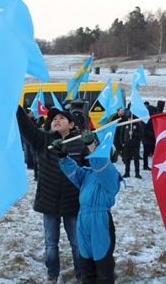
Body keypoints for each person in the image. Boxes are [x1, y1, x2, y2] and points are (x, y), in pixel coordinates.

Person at [16, 106, 89, 283]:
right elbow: (27, 127)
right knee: (51, 244)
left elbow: (91, 170)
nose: (56, 120)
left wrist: (92, 144)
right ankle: (52, 273)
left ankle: (81, 275)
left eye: (61, 118)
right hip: (49, 202)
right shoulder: (43, 140)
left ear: (71, 124)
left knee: (77, 244)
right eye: (54, 118)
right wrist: (18, 110)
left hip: (74, 204)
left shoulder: (80, 143)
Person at [53, 131, 121, 283]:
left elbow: (102, 166)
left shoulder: (112, 175)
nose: (96, 156)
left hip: (100, 222)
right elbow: (73, 172)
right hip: (83, 220)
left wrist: (92, 146)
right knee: (86, 263)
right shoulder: (88, 174)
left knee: (102, 265)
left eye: (102, 153)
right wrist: (63, 157)